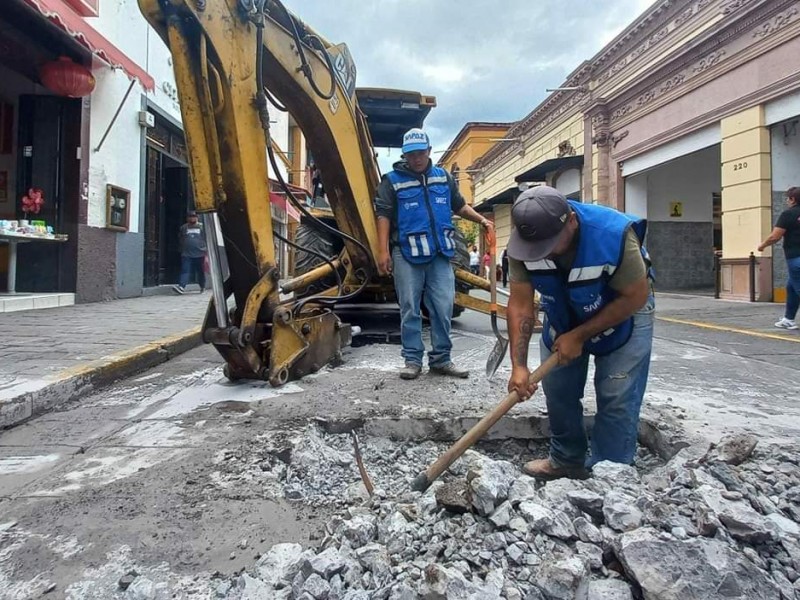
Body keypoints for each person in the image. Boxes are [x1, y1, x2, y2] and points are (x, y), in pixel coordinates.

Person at [505, 186, 654, 479]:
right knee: (558, 389)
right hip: (563, 312)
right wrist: (519, 366)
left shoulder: (613, 235)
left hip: (623, 309)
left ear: (571, 221)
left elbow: (635, 297)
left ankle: (612, 473)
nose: (540, 252)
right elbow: (521, 304)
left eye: (548, 244)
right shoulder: (524, 241)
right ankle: (566, 460)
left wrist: (580, 336)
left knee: (616, 393)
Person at [375, 128, 494, 380]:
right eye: (411, 154)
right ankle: (412, 360)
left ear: (429, 151)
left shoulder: (444, 178)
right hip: (406, 253)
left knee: (443, 307)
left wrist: (483, 221)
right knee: (410, 308)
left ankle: (441, 359)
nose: (416, 158)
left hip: (440, 254)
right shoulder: (392, 180)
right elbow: (383, 215)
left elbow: (459, 206)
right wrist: (382, 251)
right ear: (404, 155)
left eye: (420, 153)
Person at [758, 186, 800, 330]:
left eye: (788, 198)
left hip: (796, 258)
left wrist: (762, 245)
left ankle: (788, 319)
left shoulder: (789, 214)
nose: (787, 201)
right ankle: (788, 319)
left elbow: (774, 236)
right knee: (791, 288)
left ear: (793, 199)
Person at [173, 210, 207, 294]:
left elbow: (206, 238)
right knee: (185, 270)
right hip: (187, 253)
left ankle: (202, 285)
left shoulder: (202, 227)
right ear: (187, 218)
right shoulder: (184, 228)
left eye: (193, 216)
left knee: (200, 271)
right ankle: (181, 286)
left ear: (197, 217)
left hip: (200, 253)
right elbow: (181, 238)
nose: (192, 218)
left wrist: (206, 250)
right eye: (190, 216)